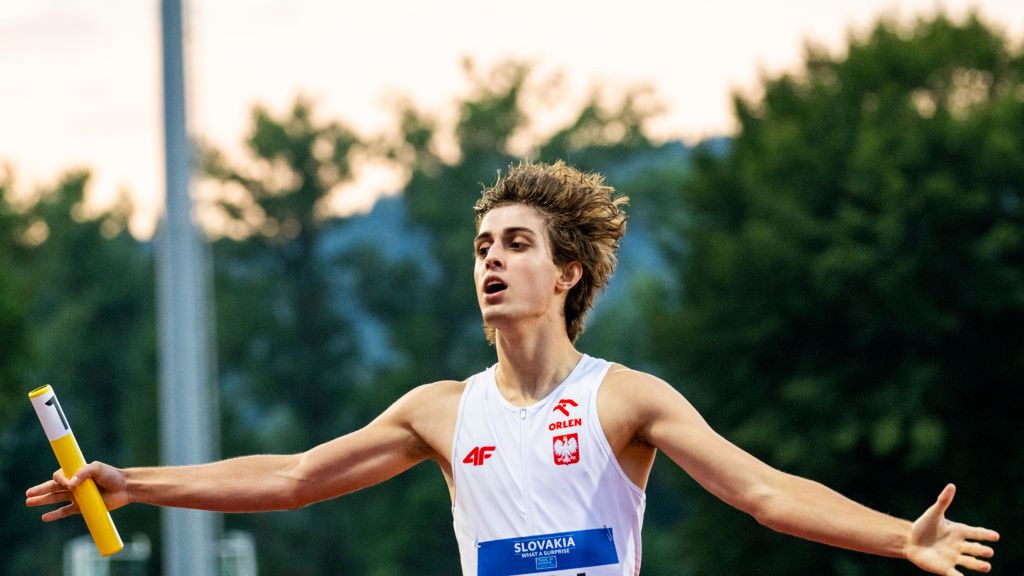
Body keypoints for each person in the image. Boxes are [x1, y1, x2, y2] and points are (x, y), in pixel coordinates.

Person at [28, 161, 999, 575]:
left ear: (566, 270)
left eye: (516, 244)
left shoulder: (625, 398)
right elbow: (289, 479)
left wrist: (893, 539)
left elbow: (761, 492)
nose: (490, 259)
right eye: (481, 245)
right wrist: (133, 484)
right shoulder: (440, 411)